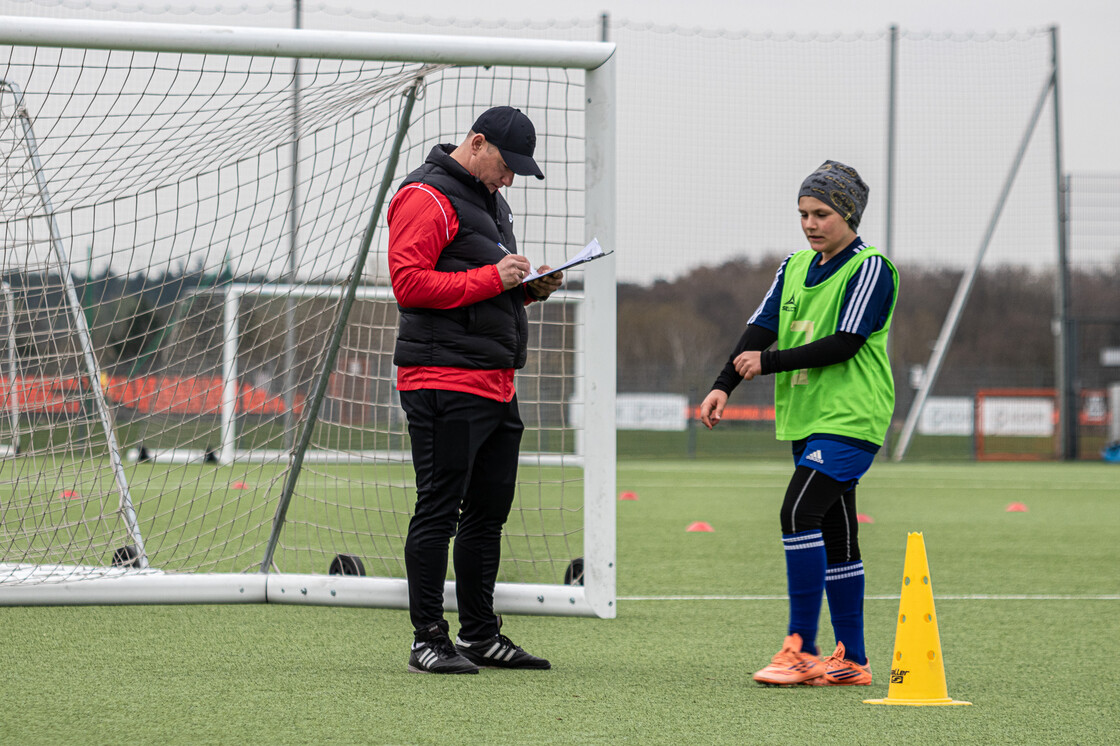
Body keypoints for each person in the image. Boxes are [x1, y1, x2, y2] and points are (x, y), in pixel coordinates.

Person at [698, 160, 898, 687]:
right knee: (837, 530)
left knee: (797, 512)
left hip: (853, 414)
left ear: (849, 214)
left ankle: (802, 650)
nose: (810, 224)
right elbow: (759, 328)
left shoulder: (871, 268)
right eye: (804, 213)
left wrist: (770, 363)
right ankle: (853, 660)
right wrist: (723, 384)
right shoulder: (793, 266)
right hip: (807, 416)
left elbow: (846, 342)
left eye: (822, 214)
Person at [387, 106, 563, 674]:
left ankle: (480, 635)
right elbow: (408, 284)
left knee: (488, 513)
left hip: (495, 380)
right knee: (438, 510)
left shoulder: (491, 202)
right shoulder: (426, 195)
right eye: (507, 166)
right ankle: (427, 640)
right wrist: (495, 277)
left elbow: (483, 287)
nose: (509, 178)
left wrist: (530, 289)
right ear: (477, 142)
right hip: (442, 378)